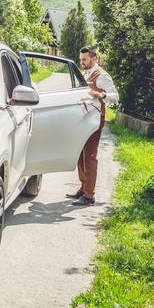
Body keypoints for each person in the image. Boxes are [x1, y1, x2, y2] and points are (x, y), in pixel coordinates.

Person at [67, 46, 119, 206]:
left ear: (94, 58)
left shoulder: (102, 76)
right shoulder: (85, 73)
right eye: (80, 59)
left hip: (95, 119)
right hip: (83, 118)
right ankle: (83, 188)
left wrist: (102, 94)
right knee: (80, 154)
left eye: (84, 59)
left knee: (89, 155)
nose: (81, 62)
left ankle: (89, 196)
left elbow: (115, 96)